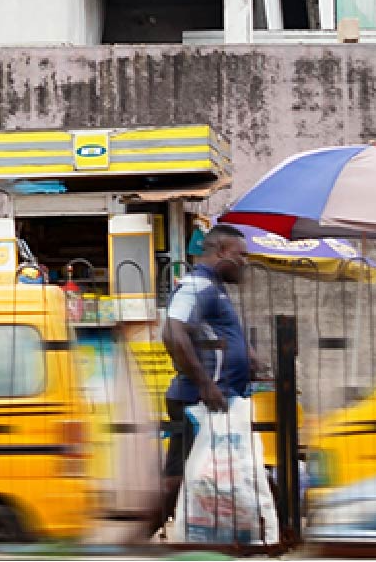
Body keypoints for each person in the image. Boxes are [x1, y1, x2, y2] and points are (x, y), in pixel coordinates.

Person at [158, 223, 255, 532]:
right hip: (197, 399)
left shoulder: (214, 287)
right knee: (179, 472)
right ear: (222, 251)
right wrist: (205, 384)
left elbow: (216, 335)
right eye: (242, 256)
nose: (245, 263)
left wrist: (249, 358)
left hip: (215, 397)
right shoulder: (198, 285)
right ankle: (137, 536)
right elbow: (173, 333)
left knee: (206, 471)